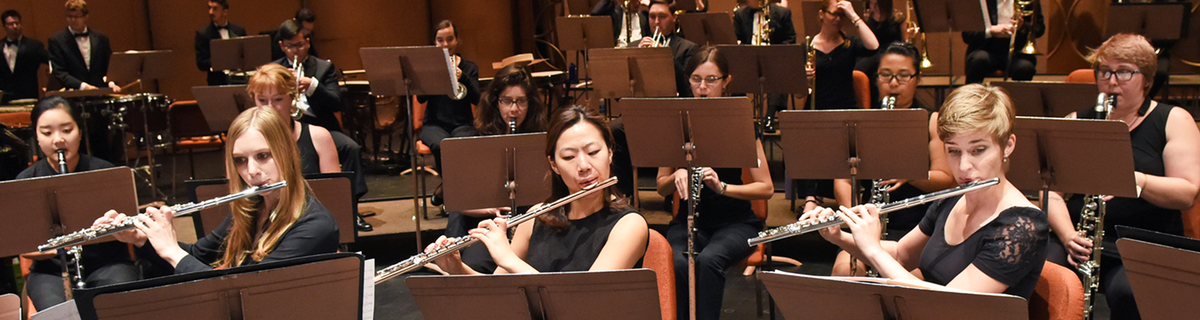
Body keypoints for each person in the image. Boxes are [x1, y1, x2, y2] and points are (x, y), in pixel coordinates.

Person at [802, 84, 1049, 299]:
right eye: (953, 151)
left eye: (978, 150)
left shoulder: (1023, 226)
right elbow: (901, 255)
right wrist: (840, 236)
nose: (963, 166)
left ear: (1008, 146)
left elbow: (951, 305)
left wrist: (874, 250)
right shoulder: (951, 200)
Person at [1045, 33, 1200, 320]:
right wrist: (1068, 235)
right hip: (1081, 240)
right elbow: (1051, 192)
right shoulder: (1076, 120)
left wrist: (1137, 180)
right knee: (1041, 276)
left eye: (1125, 72)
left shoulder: (1173, 119)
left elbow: (1187, 192)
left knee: (1127, 293)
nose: (1112, 81)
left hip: (1142, 240)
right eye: (1105, 71)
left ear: (1148, 78)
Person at [99, 107, 340, 274]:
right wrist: (142, 239)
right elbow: (198, 255)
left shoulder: (314, 226)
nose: (252, 171)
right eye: (240, 160)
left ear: (287, 153)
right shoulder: (251, 207)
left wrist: (172, 251)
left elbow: (243, 289)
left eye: (263, 156)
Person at [429, 105, 648, 274]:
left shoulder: (629, 225)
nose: (583, 166)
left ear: (610, 153)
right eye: (569, 157)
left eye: (593, 152)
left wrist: (510, 260)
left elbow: (584, 303)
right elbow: (499, 294)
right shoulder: (537, 216)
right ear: (554, 165)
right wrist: (457, 269)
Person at [655, 46, 774, 320]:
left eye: (711, 80)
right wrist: (675, 177)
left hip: (736, 223)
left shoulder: (739, 123)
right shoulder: (678, 123)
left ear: (726, 81)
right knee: (677, 261)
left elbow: (766, 188)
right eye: (696, 79)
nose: (702, 87)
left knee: (709, 260)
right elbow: (661, 185)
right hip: (687, 220)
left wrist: (722, 188)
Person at [831, 42, 956, 275]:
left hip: (917, 227)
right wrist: (853, 217)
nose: (893, 83)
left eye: (903, 76)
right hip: (870, 222)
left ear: (917, 79)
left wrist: (909, 173)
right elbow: (843, 179)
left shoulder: (931, 121)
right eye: (885, 75)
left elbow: (945, 178)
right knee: (845, 272)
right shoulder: (860, 122)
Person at [16, 96, 139, 310]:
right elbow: (22, 245)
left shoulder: (105, 172)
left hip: (107, 262)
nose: (58, 140)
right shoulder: (26, 181)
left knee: (118, 302)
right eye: (47, 133)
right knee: (56, 310)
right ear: (36, 136)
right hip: (50, 270)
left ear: (80, 132)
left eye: (66, 130)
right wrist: (60, 247)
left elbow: (127, 227)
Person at [441, 65, 551, 273]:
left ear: (531, 103)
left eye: (521, 101)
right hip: (490, 222)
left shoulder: (543, 139)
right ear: (495, 102)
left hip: (532, 221)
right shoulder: (478, 140)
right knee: (477, 265)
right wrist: (488, 209)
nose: (514, 109)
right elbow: (457, 199)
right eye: (507, 101)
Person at [271, 20, 371, 230]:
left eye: (299, 45)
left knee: (351, 147)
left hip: (321, 127)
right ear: (282, 46)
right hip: (285, 130)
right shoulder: (275, 70)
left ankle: (351, 209)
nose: (295, 51)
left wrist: (313, 86)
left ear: (307, 42)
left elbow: (336, 102)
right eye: (290, 46)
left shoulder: (323, 67)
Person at [421, 20, 481, 208]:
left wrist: (462, 76)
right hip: (434, 125)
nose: (445, 44)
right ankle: (453, 192)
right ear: (434, 42)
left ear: (457, 40)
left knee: (461, 145)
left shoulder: (470, 67)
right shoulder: (428, 68)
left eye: (449, 39)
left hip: (462, 124)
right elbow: (421, 99)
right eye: (440, 40)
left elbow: (477, 98)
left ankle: (445, 192)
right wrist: (433, 75)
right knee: (441, 145)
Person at [246, 63, 339, 175]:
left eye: (278, 99)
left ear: (292, 97)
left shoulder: (319, 137)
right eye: (262, 100)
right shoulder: (242, 140)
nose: (270, 107)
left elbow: (334, 189)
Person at [732, 0, 797, 129]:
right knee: (733, 70)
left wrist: (773, 51)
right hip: (747, 61)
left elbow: (790, 39)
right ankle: (738, 115)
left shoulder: (783, 13)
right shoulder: (740, 14)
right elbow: (735, 39)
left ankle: (770, 116)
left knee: (780, 67)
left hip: (773, 60)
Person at [962, 0, 1043, 84]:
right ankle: (973, 95)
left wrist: (1022, 27)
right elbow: (967, 35)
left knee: (1025, 67)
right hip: (985, 48)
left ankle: (1019, 96)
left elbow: (1039, 29)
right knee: (979, 60)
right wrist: (991, 30)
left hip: (1017, 52)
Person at [47, 0, 120, 93]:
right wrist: (83, 86)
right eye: (70, 16)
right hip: (75, 94)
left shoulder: (101, 38)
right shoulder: (56, 41)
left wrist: (112, 83)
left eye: (77, 16)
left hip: (101, 91)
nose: (73, 20)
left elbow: (109, 66)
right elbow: (59, 72)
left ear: (86, 17)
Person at [638, 0, 699, 97]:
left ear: (674, 17)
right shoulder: (634, 46)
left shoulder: (688, 49)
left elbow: (687, 88)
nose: (656, 22)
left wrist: (665, 56)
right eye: (652, 17)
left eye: (662, 17)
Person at [0, 10, 48, 104]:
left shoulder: (34, 46)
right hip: (4, 101)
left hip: (29, 98)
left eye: (17, 23)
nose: (15, 26)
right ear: (4, 26)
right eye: (10, 24)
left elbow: (52, 62)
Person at [195, 0, 247, 86]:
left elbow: (245, 55)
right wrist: (220, 61)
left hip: (239, 80)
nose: (211, 12)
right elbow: (201, 63)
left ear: (225, 12)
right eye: (209, 8)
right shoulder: (203, 34)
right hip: (217, 82)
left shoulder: (239, 30)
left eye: (215, 8)